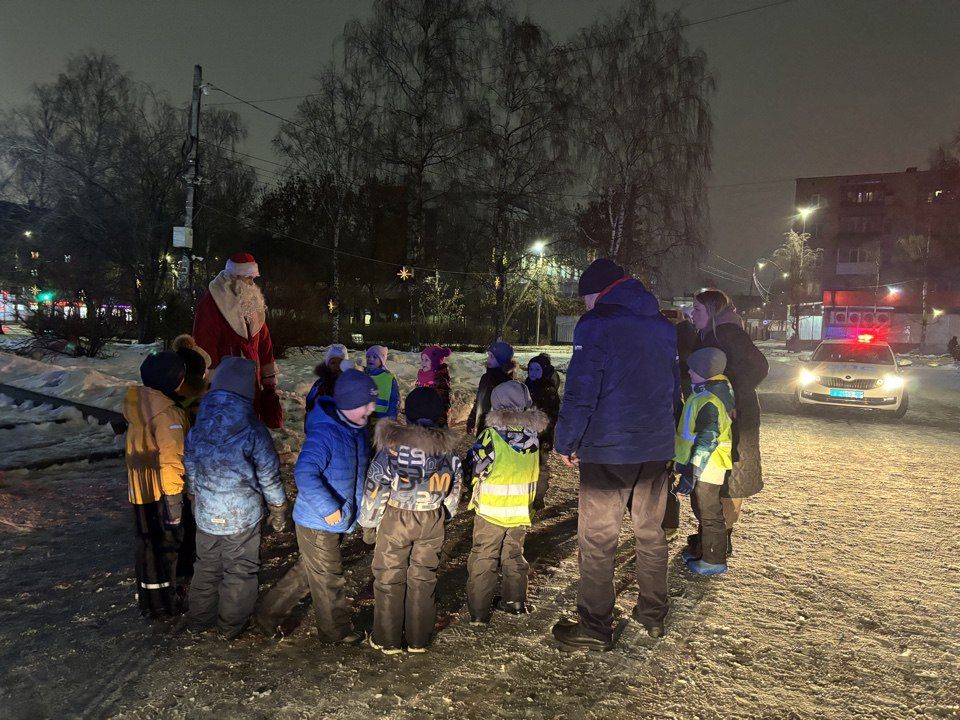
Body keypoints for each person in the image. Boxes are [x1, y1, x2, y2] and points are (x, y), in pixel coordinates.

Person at [551, 258, 679, 651]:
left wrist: (565, 441)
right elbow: (673, 389)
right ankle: (653, 613)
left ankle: (594, 625)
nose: (585, 306)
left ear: (597, 292)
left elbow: (580, 391)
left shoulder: (596, 324)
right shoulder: (663, 327)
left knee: (598, 541)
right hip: (655, 449)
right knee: (651, 534)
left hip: (608, 451)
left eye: (585, 298)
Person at [183, 357, 287, 639]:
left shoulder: (199, 423)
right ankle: (230, 626)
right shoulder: (252, 429)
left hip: (206, 514)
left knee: (206, 566)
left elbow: (190, 464)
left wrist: (194, 495)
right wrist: (278, 506)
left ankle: (198, 620)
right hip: (242, 516)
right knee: (240, 570)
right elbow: (269, 474)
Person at [359, 387, 463, 654]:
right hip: (432, 515)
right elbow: (455, 485)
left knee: (390, 575)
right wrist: (446, 513)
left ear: (408, 414)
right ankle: (419, 638)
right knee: (423, 576)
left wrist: (369, 522)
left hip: (397, 515)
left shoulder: (392, 448)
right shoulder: (447, 450)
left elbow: (376, 484)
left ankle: (387, 637)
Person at [292, 369, 378, 644]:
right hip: (318, 519)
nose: (371, 408)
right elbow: (305, 472)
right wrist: (329, 508)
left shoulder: (358, 430)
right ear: (348, 404)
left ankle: (269, 614)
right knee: (329, 576)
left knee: (310, 570)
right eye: (365, 403)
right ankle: (336, 632)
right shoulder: (325, 434)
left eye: (372, 402)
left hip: (339, 517)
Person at [691, 289, 768, 556]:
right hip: (725, 416)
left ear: (713, 312)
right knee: (716, 478)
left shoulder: (727, 335)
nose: (692, 314)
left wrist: (729, 394)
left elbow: (759, 367)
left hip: (736, 420)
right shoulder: (711, 334)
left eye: (698, 310)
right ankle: (712, 537)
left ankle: (719, 541)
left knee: (728, 479)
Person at [466, 381, 547, 624]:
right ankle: (515, 601)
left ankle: (479, 612)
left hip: (491, 510)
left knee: (484, 556)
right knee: (514, 554)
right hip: (520, 510)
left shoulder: (490, 436)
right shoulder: (533, 438)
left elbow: (476, 469)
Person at [122, 351, 189, 619]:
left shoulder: (139, 404)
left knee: (146, 544)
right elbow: (171, 458)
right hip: (160, 490)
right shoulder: (166, 413)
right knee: (165, 546)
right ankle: (164, 603)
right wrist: (174, 501)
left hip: (138, 490)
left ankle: (149, 599)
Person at [192, 252, 283, 428]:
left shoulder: (253, 304)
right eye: (247, 278)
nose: (251, 283)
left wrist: (268, 380)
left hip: (252, 380)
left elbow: (264, 344)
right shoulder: (213, 303)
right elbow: (205, 344)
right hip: (227, 382)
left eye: (252, 278)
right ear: (234, 278)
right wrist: (211, 383)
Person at [673, 348, 735, 576]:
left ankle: (713, 558)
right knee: (702, 510)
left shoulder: (709, 399)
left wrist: (692, 471)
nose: (689, 371)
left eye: (694, 368)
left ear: (705, 371)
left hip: (708, 466)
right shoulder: (705, 393)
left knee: (709, 513)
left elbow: (708, 437)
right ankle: (702, 551)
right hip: (705, 466)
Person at [524, 353, 561, 509]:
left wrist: (540, 431)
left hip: (542, 437)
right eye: (531, 369)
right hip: (526, 436)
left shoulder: (549, 391)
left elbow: (552, 417)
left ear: (544, 371)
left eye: (537, 369)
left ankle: (538, 496)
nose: (532, 372)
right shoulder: (525, 386)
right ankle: (526, 494)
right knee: (526, 466)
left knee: (540, 467)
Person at [466, 341, 518, 436]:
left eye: (492, 357)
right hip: (483, 423)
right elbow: (479, 400)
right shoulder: (486, 377)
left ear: (501, 360)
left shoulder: (507, 382)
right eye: (488, 356)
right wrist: (472, 420)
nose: (488, 359)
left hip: (498, 428)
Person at [305, 344, 348, 419]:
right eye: (333, 363)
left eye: (340, 363)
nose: (337, 366)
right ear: (327, 364)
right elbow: (310, 400)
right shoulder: (321, 383)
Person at [416, 344, 453, 427]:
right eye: (422, 359)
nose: (423, 363)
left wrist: (441, 420)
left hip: (436, 420)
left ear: (435, 362)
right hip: (422, 417)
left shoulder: (440, 380)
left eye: (426, 360)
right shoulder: (421, 377)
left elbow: (444, 402)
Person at [365, 345, 400, 427]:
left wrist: (391, 418)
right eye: (368, 356)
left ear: (381, 360)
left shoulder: (388, 378)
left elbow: (394, 399)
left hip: (382, 418)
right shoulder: (363, 375)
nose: (370, 359)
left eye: (375, 357)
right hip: (365, 416)